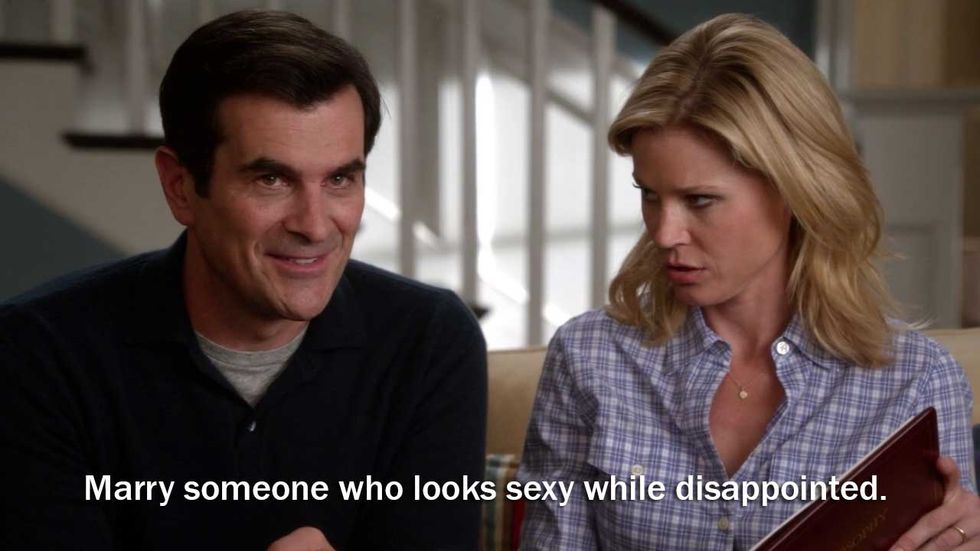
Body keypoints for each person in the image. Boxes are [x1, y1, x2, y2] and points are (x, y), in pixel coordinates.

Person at [0, 10, 486, 550]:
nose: (315, 225)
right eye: (271, 179)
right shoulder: (36, 354)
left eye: (340, 179)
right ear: (180, 187)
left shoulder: (427, 340)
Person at [517, 13, 979, 550]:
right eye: (649, 195)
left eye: (700, 200)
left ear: (795, 190)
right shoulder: (588, 358)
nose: (664, 233)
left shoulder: (916, 381)